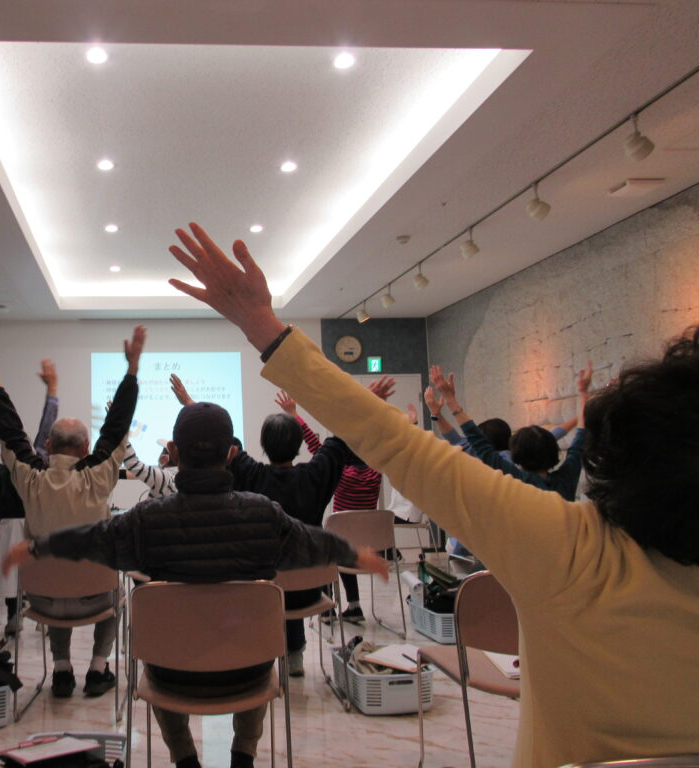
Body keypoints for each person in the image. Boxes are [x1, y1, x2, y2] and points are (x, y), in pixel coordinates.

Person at [164, 221, 699, 767]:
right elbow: (360, 446)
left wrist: (260, 325)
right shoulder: (318, 472)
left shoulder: (574, 550)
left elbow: (399, 444)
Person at [2, 400, 389, 768]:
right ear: (230, 454)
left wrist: (39, 546)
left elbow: (92, 539)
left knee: (156, 643)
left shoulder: (145, 521)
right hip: (247, 674)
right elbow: (312, 542)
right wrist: (354, 554)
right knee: (258, 636)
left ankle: (185, 758)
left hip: (173, 676)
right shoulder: (263, 516)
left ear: (174, 451)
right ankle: (243, 755)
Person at [0, 328, 144, 698]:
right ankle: (98, 669)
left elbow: (10, 432)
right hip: (96, 597)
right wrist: (132, 369)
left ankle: (62, 670)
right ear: (86, 448)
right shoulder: (98, 475)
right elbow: (116, 426)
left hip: (42, 598)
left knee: (55, 577)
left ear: (48, 445)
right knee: (117, 594)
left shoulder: (29, 477)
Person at [169, 374, 360, 675]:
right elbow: (337, 443)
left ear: (263, 445)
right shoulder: (314, 477)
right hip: (309, 588)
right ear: (299, 445)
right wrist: (367, 403)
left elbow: (221, 438)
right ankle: (294, 654)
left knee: (270, 572)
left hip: (259, 588)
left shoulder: (252, 475)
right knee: (291, 565)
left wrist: (189, 403)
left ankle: (258, 652)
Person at [275, 387, 391, 625]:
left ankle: (328, 609)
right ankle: (354, 605)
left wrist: (294, 414)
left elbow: (315, 444)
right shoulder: (376, 471)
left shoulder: (342, 472)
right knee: (345, 542)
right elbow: (381, 442)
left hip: (341, 544)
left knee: (328, 547)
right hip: (372, 544)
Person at [0, 357, 58, 634]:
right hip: (33, 569)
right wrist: (52, 389)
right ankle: (25, 614)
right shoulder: (38, 475)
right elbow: (46, 432)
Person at [427, 363, 591, 502]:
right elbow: (578, 442)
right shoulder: (566, 480)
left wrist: (449, 401)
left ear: (516, 456)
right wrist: (583, 395)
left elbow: (477, 441)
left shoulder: (517, 482)